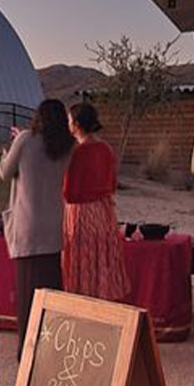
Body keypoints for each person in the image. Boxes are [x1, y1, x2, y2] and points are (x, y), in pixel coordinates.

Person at [0, 98, 76, 340]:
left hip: (27, 229)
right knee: (51, 293)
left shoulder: (24, 140)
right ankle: (50, 346)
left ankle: (28, 349)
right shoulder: (69, 146)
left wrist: (8, 149)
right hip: (53, 227)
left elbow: (5, 172)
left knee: (28, 296)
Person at [61, 103, 129, 301]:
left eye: (69, 120)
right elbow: (112, 184)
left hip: (81, 213)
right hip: (104, 212)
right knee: (102, 260)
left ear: (77, 124)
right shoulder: (106, 149)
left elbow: (69, 191)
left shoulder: (77, 153)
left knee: (82, 262)